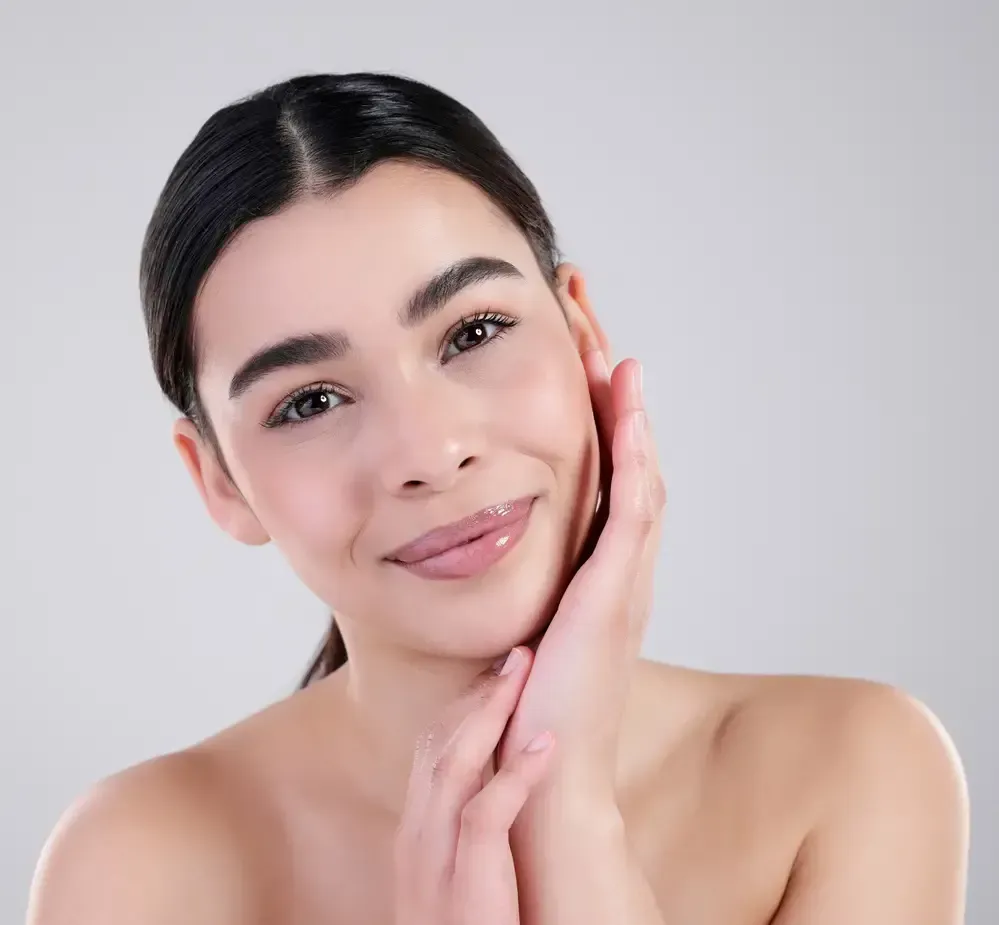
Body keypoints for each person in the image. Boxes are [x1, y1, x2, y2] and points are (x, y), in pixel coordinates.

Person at [26, 72, 969, 925]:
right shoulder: (140, 864)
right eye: (309, 400)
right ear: (219, 482)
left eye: (473, 331)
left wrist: (567, 820)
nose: (431, 453)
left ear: (580, 331)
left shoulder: (847, 770)